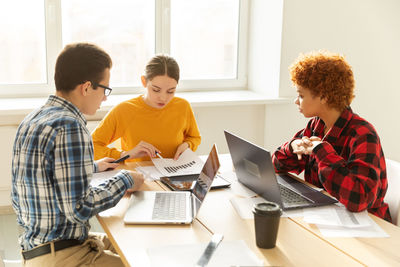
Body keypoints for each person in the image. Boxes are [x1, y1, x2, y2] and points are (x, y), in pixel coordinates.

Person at [11, 43, 145, 266]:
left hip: (37, 248)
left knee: (135, 245)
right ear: (86, 87)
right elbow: (79, 208)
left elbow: (41, 176)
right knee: (142, 259)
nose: (105, 98)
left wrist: (92, 167)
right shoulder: (70, 126)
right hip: (64, 255)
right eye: (105, 90)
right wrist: (126, 179)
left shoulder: (34, 119)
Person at [272, 51, 391, 222]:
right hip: (331, 218)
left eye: (301, 95)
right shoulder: (316, 125)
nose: (296, 101)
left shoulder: (363, 135)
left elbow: (359, 199)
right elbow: (276, 165)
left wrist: (322, 152)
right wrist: (292, 147)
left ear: (324, 96)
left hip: (368, 224)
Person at [92, 55, 201, 162]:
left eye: (170, 91)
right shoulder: (124, 110)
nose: (163, 98)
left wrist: (187, 145)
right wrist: (124, 155)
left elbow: (194, 138)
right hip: (137, 177)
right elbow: (91, 146)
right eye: (156, 90)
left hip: (174, 175)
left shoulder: (183, 106)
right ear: (144, 81)